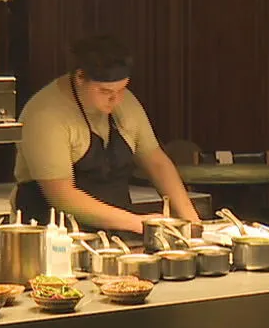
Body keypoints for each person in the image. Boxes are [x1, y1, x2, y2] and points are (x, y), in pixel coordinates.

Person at [13, 34, 197, 236]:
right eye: (104, 91)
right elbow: (61, 195)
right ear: (80, 77)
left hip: (118, 233)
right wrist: (137, 223)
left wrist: (192, 222)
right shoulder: (45, 114)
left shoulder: (125, 102)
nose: (116, 99)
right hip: (54, 238)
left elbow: (156, 162)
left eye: (122, 89)